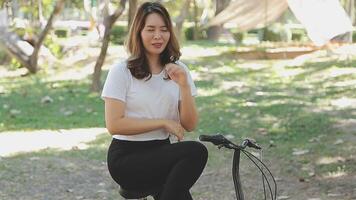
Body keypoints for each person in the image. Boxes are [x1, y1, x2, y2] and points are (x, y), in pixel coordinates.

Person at [101, 2, 208, 200]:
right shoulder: (121, 71)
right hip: (127, 158)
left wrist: (184, 86)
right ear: (139, 32)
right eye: (150, 29)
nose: (158, 36)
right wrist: (163, 122)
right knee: (196, 151)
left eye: (164, 29)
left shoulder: (178, 70)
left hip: (162, 151)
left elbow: (190, 124)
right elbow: (114, 124)